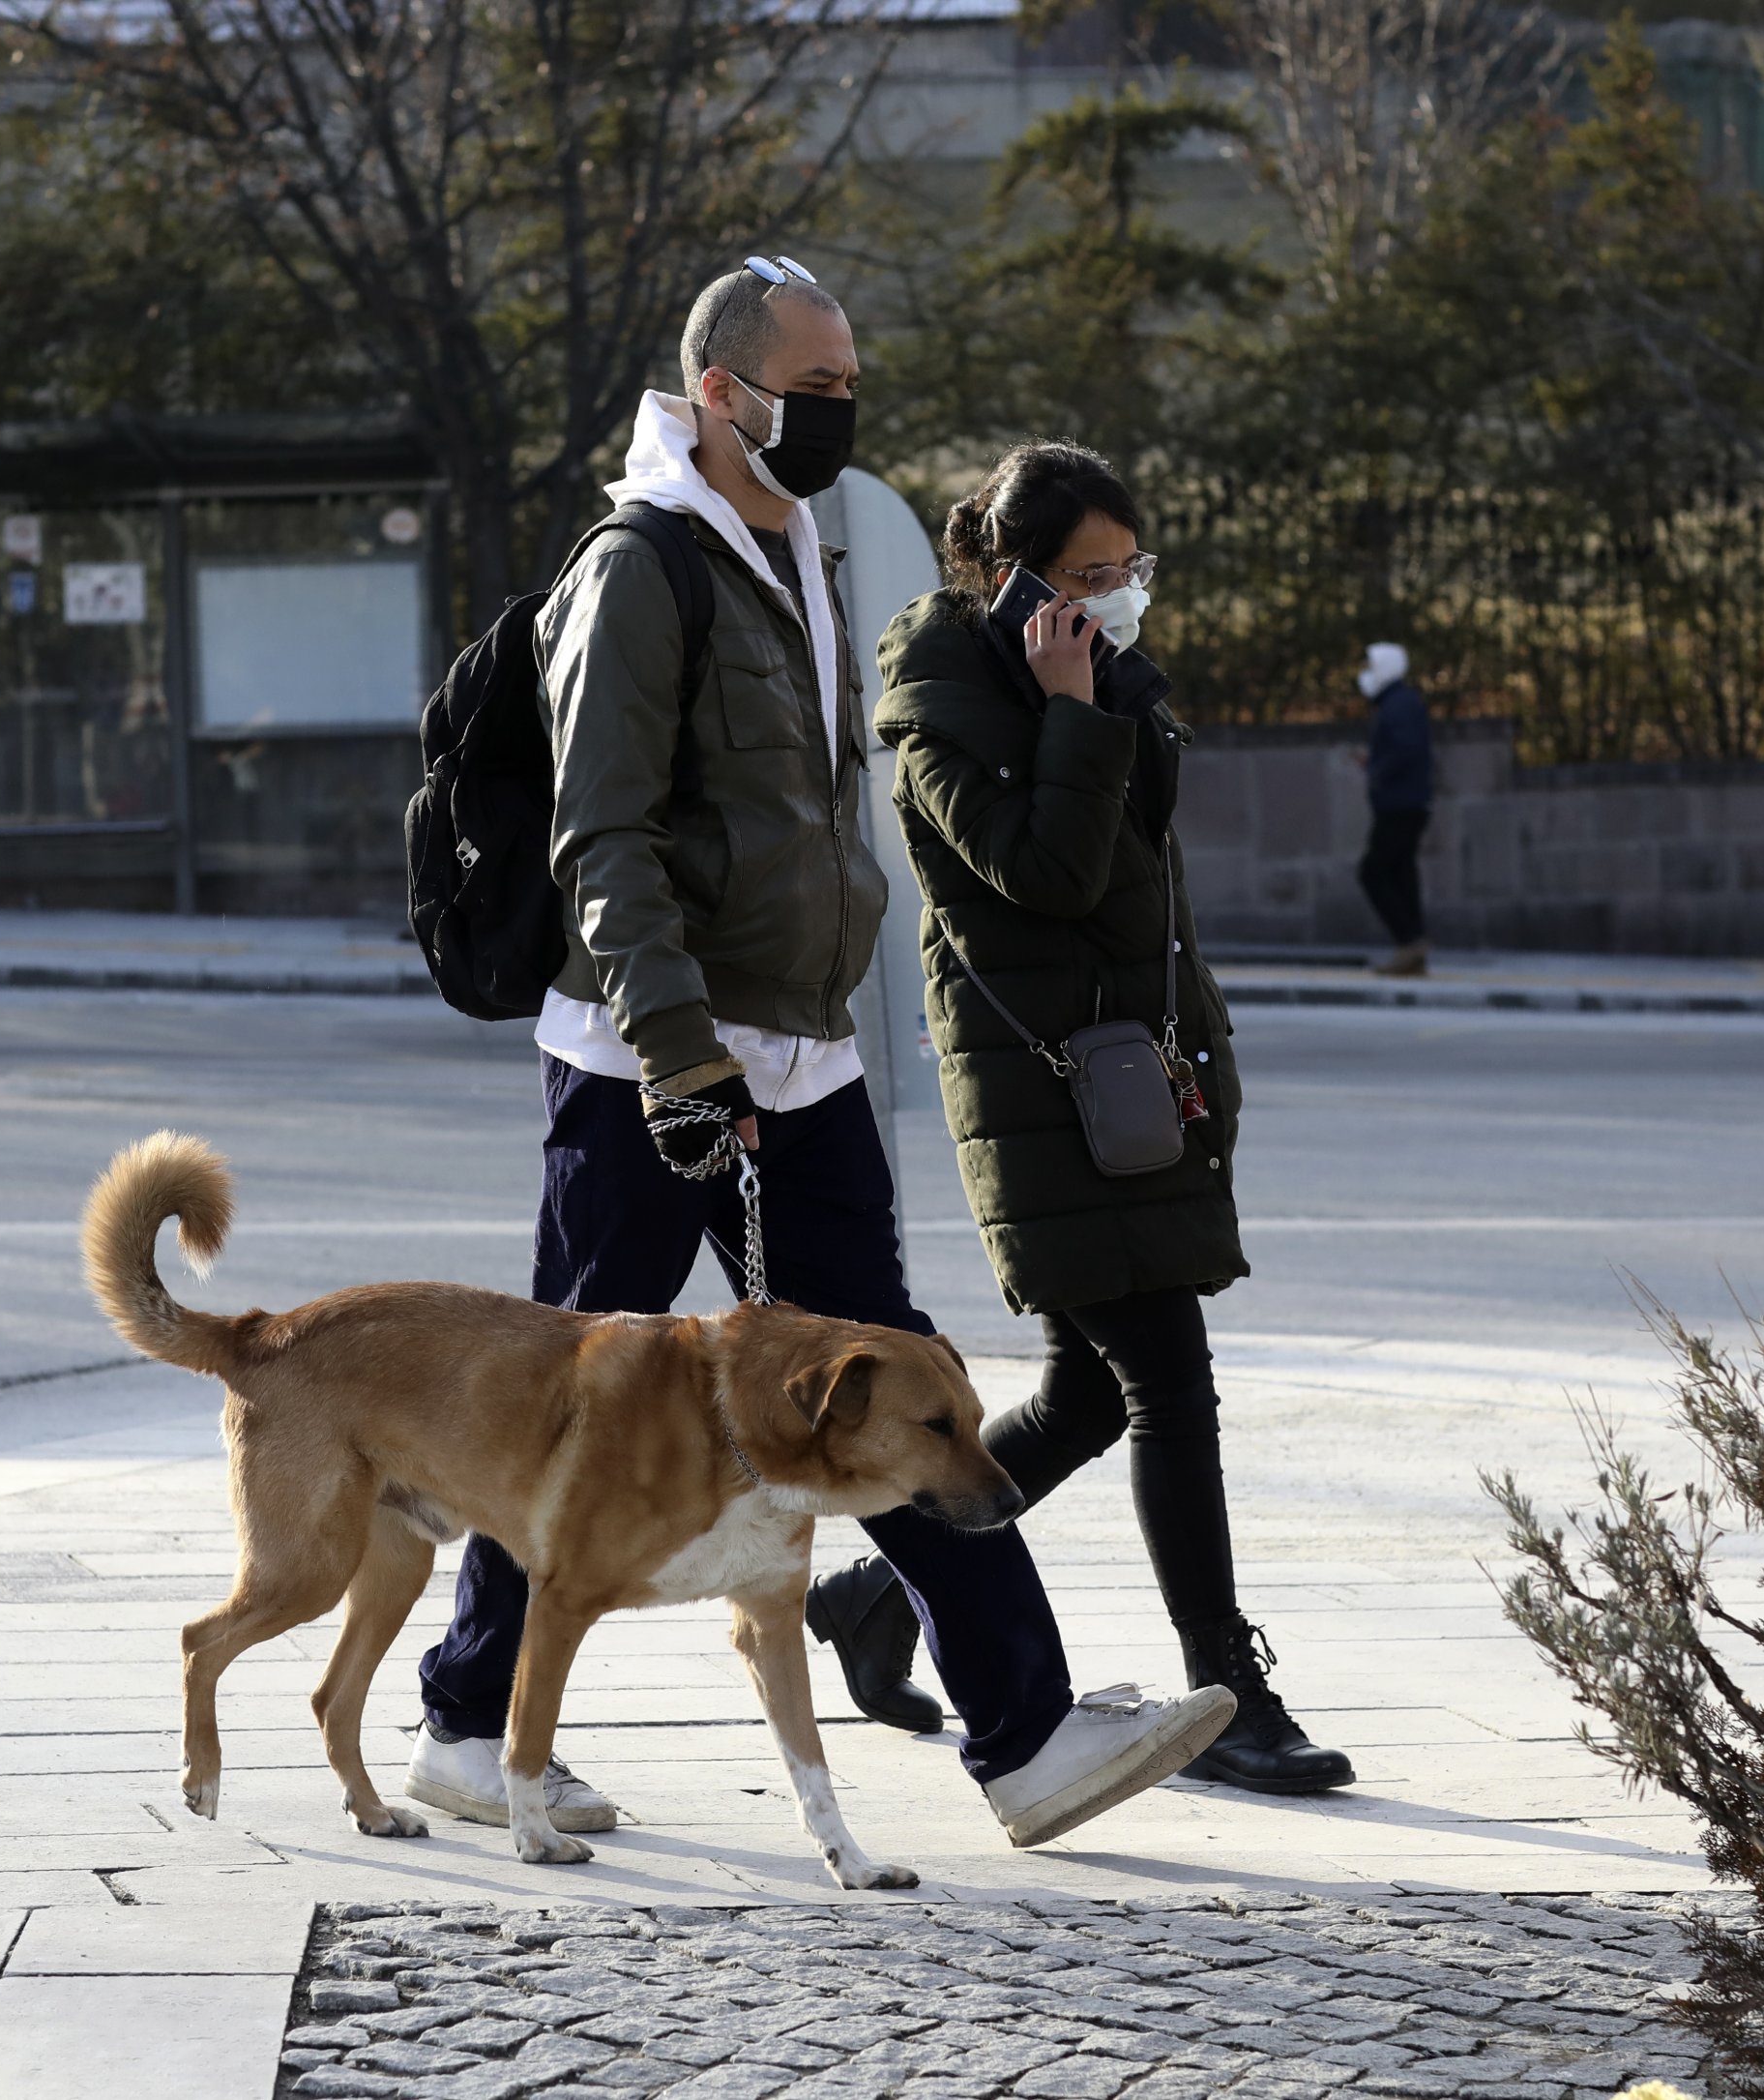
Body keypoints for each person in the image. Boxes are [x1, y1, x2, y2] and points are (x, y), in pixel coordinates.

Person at [403, 261, 1234, 1849]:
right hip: (660, 1065)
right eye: (814, 380)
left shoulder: (793, 540)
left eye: (852, 374)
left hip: (802, 1053)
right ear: (721, 393)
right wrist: (675, 1053)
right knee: (576, 1397)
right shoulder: (640, 566)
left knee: (902, 1379)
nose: (842, 404)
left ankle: (1027, 1733)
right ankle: (464, 1721)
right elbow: (602, 832)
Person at [844, 440, 1356, 1796]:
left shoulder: (1104, 679)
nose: (1120, 595)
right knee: (1168, 1385)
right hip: (1051, 1099)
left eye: (1131, 571)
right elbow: (1048, 876)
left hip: (1133, 1080)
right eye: (1090, 574)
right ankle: (1229, 1691)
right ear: (1010, 577)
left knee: (1085, 1394)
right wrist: (1078, 706)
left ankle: (879, 1588)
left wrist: (1099, 691)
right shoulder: (937, 708)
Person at [1355, 639, 1435, 977]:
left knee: (1373, 872)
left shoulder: (1398, 705)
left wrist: (1376, 770)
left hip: (1399, 805)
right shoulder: (1400, 702)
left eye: (1372, 666)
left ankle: (1410, 943)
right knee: (1402, 874)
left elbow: (1406, 750)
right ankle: (1413, 948)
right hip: (1407, 802)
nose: (1366, 674)